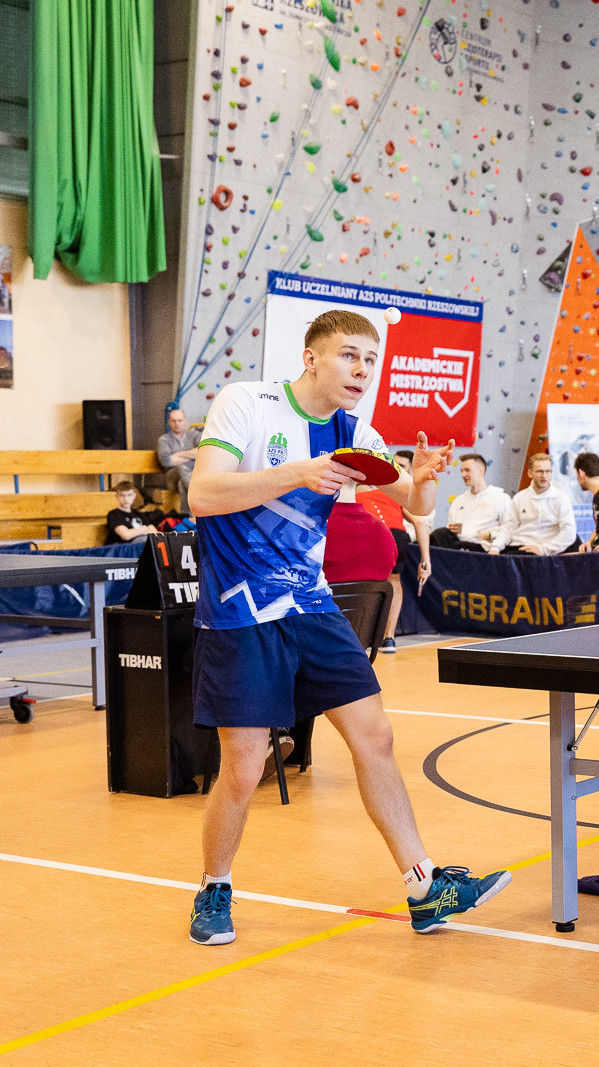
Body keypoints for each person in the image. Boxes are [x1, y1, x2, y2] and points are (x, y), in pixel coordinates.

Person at [185, 308, 510, 946]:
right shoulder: (246, 403)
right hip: (240, 611)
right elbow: (203, 494)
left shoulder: (357, 430)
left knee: (375, 737)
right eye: (348, 355)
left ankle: (424, 888)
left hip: (312, 605)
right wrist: (299, 472)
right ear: (312, 358)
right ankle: (214, 886)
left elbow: (412, 502)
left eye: (370, 359)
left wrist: (423, 483)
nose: (362, 370)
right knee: (244, 767)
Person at [356, 449, 433, 653]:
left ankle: (365, 638)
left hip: (374, 533)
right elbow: (419, 522)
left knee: (368, 583)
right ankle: (388, 639)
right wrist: (425, 561)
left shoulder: (357, 490)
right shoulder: (393, 494)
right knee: (394, 581)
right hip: (394, 536)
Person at [429, 453, 514, 552]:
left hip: (481, 547)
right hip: (459, 544)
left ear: (481, 471)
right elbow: (454, 530)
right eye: (462, 471)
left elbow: (508, 532)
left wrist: (492, 543)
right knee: (439, 534)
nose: (463, 475)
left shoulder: (501, 498)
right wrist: (455, 530)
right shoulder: (459, 501)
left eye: (467, 470)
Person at [507, 452, 577, 555]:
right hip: (518, 545)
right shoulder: (519, 497)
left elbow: (569, 533)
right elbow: (508, 528)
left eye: (547, 471)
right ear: (530, 473)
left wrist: (543, 549)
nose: (544, 476)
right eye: (539, 471)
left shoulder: (561, 499)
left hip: (543, 550)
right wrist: (495, 548)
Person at [158, 406, 203, 515]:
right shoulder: (164, 439)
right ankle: (198, 494)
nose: (177, 423)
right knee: (181, 468)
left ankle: (186, 515)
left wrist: (178, 454)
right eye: (174, 421)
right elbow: (166, 461)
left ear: (185, 421)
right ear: (169, 422)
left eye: (180, 420)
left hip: (192, 475)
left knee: (181, 484)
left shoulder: (194, 435)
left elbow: (203, 452)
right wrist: (192, 454)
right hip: (173, 475)